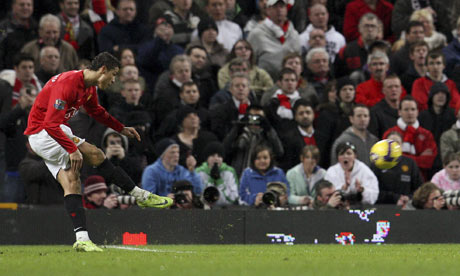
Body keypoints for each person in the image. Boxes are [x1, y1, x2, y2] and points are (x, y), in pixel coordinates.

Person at [23, 52, 173, 252]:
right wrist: (72, 149)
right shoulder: (67, 84)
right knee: (96, 154)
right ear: (103, 69)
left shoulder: (89, 87)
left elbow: (96, 111)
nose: (113, 80)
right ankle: (140, 195)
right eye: (113, 75)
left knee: (72, 182)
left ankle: (82, 239)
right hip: (43, 132)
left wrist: (120, 128)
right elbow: (50, 124)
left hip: (56, 131)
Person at [383, 96, 438, 181]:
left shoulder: (427, 135)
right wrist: (418, 158)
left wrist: (401, 156)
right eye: (406, 109)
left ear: (417, 112)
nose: (410, 113)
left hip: (420, 178)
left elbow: (428, 162)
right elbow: (387, 158)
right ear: (399, 112)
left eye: (413, 109)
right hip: (394, 178)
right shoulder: (390, 133)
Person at [0, 84, 37, 202]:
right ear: (20, 98)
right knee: (9, 211)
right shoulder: (14, 116)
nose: (30, 99)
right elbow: (3, 125)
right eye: (26, 96)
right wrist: (20, 108)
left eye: (33, 96)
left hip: (35, 172)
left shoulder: (40, 117)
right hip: (14, 172)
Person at [223, 104, 284, 176]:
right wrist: (236, 128)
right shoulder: (240, 133)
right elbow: (224, 149)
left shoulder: (267, 136)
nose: (255, 120)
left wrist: (269, 129)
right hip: (239, 175)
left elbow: (279, 151)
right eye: (253, 117)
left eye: (259, 118)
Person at [247, 0, 301, 80]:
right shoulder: (256, 34)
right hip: (264, 84)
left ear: (286, 9)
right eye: (275, 7)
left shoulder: (294, 35)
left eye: (282, 6)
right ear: (268, 10)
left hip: (290, 82)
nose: (279, 10)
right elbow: (249, 63)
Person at [372, 131, 422, 205]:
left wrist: (409, 197)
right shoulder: (377, 163)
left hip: (407, 206)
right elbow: (372, 190)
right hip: (383, 206)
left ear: (402, 145)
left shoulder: (410, 163)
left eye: (397, 143)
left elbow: (419, 188)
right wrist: (395, 198)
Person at [315, 77, 355, 167]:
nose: (348, 92)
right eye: (344, 89)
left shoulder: (358, 112)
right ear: (338, 93)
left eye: (351, 89)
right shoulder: (327, 113)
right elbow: (322, 143)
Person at [136, 16, 184, 92]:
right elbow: (143, 61)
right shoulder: (146, 46)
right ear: (155, 31)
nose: (166, 31)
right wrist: (160, 40)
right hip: (151, 85)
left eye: (169, 27)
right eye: (161, 28)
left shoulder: (178, 50)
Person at [419, 82, 456, 176]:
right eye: (437, 93)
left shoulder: (452, 115)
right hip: (429, 159)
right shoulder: (423, 116)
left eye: (443, 94)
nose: (441, 96)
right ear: (432, 96)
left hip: (448, 158)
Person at [279, 99, 324, 170]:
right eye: (301, 113)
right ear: (295, 117)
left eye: (308, 112)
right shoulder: (288, 139)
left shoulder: (322, 137)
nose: (305, 116)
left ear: (313, 115)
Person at [334, 13, 380, 78]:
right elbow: (338, 74)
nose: (370, 29)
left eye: (373, 26)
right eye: (366, 26)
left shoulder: (385, 49)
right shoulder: (346, 50)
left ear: (378, 29)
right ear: (359, 28)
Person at [196, 141, 239, 206]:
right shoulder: (199, 172)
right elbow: (197, 196)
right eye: (212, 156)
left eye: (219, 156)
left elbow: (233, 198)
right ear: (207, 158)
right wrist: (211, 180)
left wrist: (219, 181)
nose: (216, 159)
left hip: (226, 210)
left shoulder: (230, 172)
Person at [0, 0, 38, 70]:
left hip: (31, 72)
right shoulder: (3, 27)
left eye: (29, 5)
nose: (25, 8)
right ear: (13, 6)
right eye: (22, 5)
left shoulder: (37, 28)